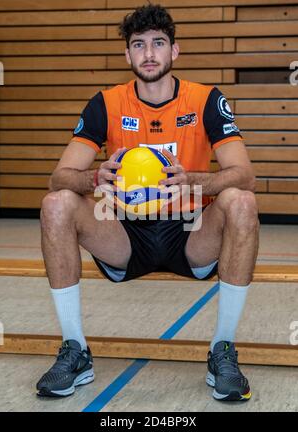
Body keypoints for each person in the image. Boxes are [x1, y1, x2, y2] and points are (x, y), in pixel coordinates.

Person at [36, 4, 259, 402]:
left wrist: (194, 179)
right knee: (56, 203)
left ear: (175, 51)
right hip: (124, 232)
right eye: (138, 44)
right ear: (128, 55)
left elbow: (245, 175)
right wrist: (93, 177)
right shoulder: (106, 103)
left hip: (191, 231)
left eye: (158, 43)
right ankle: (76, 350)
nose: (149, 52)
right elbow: (59, 176)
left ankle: (222, 349)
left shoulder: (206, 99)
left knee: (240, 201)